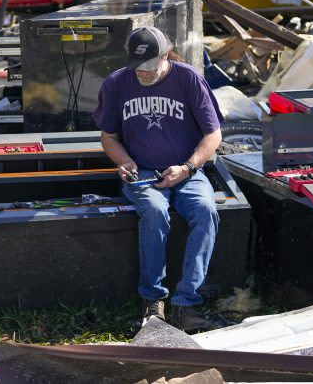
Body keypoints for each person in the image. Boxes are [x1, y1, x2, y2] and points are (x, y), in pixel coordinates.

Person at [93, 26, 223, 331]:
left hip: (187, 169)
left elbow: (213, 134)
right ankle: (152, 301)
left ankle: (186, 303)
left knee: (206, 210)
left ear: (166, 56)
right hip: (144, 173)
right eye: (136, 67)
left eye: (149, 67)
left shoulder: (188, 79)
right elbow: (108, 136)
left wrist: (188, 167)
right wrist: (124, 161)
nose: (142, 74)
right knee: (154, 210)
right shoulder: (116, 83)